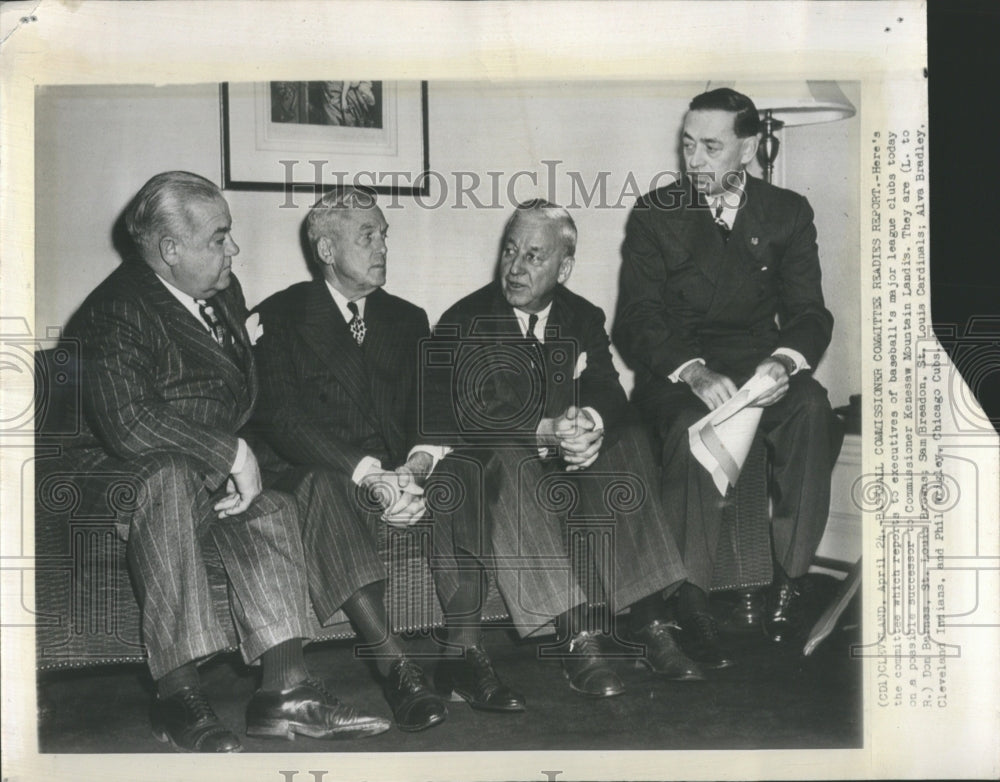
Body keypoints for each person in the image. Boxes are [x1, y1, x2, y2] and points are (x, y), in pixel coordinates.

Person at [65, 171, 390, 752]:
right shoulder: (114, 310)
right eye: (219, 238)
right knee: (167, 482)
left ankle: (286, 694)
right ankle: (177, 697)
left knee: (271, 506)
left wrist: (255, 457)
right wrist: (230, 452)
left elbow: (240, 396)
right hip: (115, 474)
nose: (233, 250)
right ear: (170, 251)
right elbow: (128, 424)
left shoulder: (223, 292)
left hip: (198, 467)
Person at [252, 187, 525, 728]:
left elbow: (432, 411)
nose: (381, 248)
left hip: (400, 474)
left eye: (384, 236)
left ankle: (463, 655)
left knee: (467, 468)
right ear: (326, 250)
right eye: (367, 236)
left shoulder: (406, 318)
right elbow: (282, 419)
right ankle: (393, 664)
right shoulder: (278, 315)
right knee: (319, 487)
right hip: (329, 470)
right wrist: (371, 475)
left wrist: (417, 470)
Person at [421, 199, 704, 698]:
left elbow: (607, 390)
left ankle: (652, 621)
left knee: (629, 437)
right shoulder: (464, 319)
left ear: (564, 267)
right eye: (510, 251)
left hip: (564, 457)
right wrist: (545, 429)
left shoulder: (581, 315)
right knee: (509, 458)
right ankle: (576, 637)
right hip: (500, 462)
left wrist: (588, 424)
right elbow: (473, 411)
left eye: (533, 256)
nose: (514, 267)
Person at [613, 88, 844, 666]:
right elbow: (636, 321)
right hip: (680, 372)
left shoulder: (788, 212)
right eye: (688, 145)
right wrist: (692, 371)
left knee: (814, 408)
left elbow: (810, 312)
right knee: (696, 425)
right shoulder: (654, 213)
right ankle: (689, 600)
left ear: (748, 149)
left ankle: (789, 582)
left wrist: (785, 361)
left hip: (760, 368)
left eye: (711, 147)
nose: (695, 160)